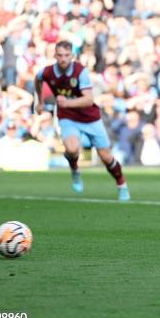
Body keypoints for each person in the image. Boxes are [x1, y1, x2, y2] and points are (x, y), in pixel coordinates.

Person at [34, 40, 130, 201]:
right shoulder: (48, 72)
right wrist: (40, 101)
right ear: (55, 55)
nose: (63, 59)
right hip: (67, 117)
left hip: (90, 117)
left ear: (72, 55)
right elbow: (37, 79)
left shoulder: (80, 72)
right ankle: (75, 170)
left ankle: (122, 184)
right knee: (72, 149)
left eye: (66, 55)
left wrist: (68, 102)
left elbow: (88, 99)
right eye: (60, 55)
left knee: (106, 157)